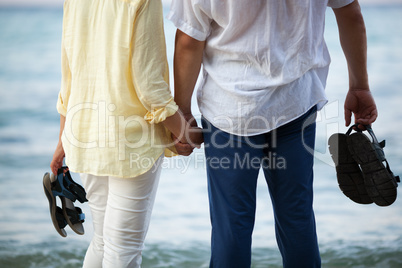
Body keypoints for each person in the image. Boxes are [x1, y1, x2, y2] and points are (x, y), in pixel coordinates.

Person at [168, 0, 377, 267]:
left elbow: (189, 40)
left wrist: (182, 113)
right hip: (295, 104)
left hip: (231, 110)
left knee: (232, 225)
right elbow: (350, 12)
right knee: (297, 218)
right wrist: (359, 86)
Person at [50, 0, 203, 267]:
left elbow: (68, 75)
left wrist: (63, 138)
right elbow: (149, 85)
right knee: (123, 249)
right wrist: (183, 133)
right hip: (130, 144)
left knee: (102, 241)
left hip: (85, 135)